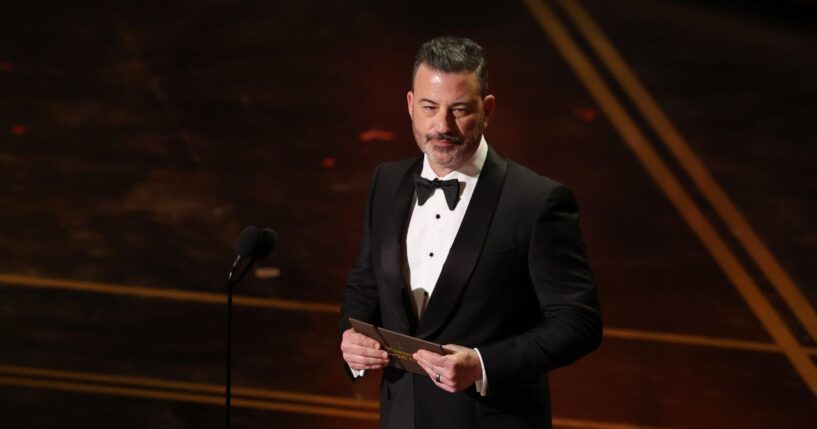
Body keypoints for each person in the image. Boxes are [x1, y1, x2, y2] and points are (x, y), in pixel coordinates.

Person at [339, 36, 602, 429]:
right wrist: (352, 337)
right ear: (411, 105)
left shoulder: (537, 201)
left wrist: (482, 364)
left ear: (487, 110)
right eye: (430, 108)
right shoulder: (387, 181)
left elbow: (577, 324)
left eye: (459, 110)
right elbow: (365, 286)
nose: (442, 126)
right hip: (401, 417)